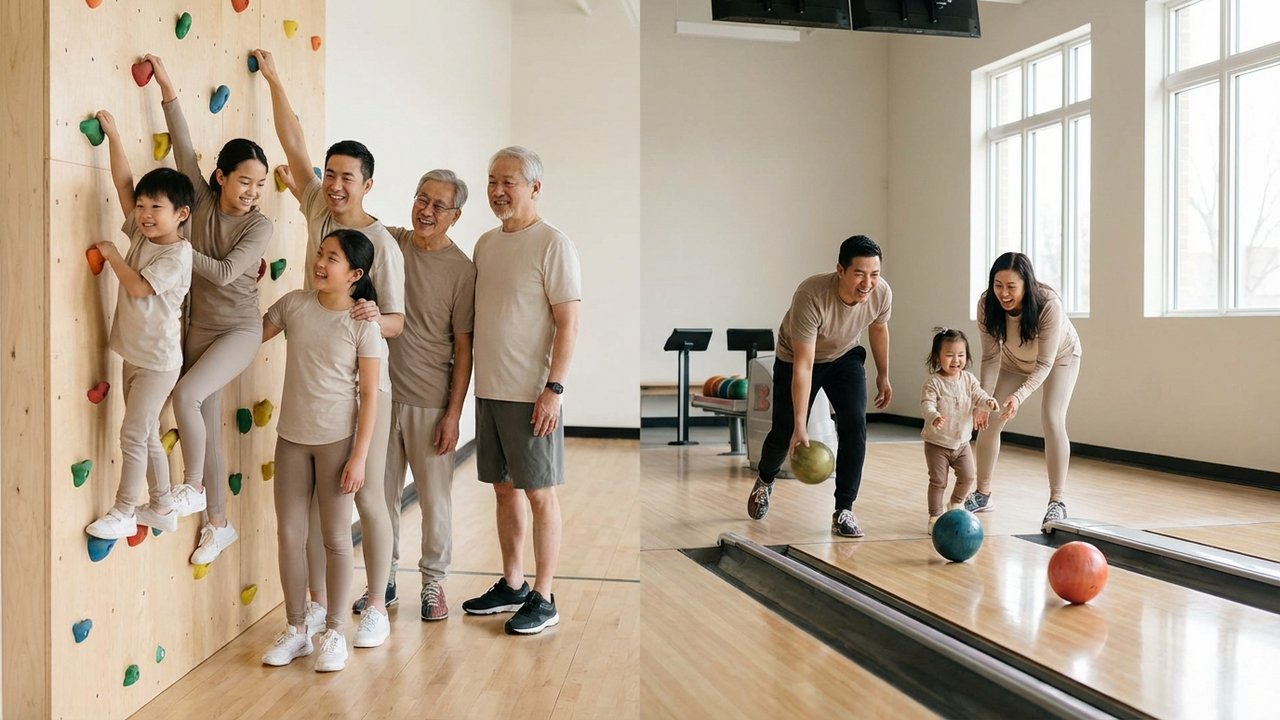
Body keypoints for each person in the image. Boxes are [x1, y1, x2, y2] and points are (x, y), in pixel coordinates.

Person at [256, 49, 405, 647]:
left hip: (367, 381)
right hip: (319, 373)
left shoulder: (378, 244)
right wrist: (273, 77)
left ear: (367, 185)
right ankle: (316, 610)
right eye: (331, 173)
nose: (336, 184)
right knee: (313, 516)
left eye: (348, 177)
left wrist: (370, 315)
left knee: (365, 498)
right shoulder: (319, 208)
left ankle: (375, 605)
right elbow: (292, 143)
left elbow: (398, 320)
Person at [140, 55, 274, 564]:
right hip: (198, 326)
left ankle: (192, 487)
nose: (253, 192)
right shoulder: (196, 195)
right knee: (203, 418)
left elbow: (220, 273)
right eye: (245, 181)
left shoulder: (259, 226)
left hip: (239, 331)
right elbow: (180, 139)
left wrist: (175, 243)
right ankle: (218, 523)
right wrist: (169, 86)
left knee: (186, 395)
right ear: (220, 177)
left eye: (260, 185)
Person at [462, 146, 580, 636]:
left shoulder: (554, 243)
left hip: (532, 395)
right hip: (489, 391)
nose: (497, 190)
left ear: (534, 188)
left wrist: (553, 389)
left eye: (509, 181)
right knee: (503, 489)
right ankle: (512, 584)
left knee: (540, 494)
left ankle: (544, 595)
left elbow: (569, 323)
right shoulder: (486, 244)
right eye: (492, 180)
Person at [259, 229, 381, 673]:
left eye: (333, 258)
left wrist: (359, 457)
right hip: (291, 438)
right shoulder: (294, 304)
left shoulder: (363, 325)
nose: (320, 262)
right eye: (320, 253)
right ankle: (296, 630)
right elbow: (250, 336)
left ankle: (333, 632)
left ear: (355, 274)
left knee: (334, 539)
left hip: (337, 444)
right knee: (290, 535)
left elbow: (370, 397)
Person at [84, 110, 194, 540]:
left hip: (158, 362)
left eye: (156, 208)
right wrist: (114, 135)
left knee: (132, 432)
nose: (145, 214)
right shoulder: (144, 235)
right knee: (145, 430)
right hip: (136, 354)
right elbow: (124, 184)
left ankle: (126, 509)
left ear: (181, 214)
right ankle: (162, 504)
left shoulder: (176, 255)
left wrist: (112, 254)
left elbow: (138, 288)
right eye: (144, 207)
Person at [746, 235, 892, 538]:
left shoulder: (881, 293)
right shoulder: (811, 294)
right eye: (859, 274)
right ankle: (765, 479)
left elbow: (878, 328)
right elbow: (804, 365)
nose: (868, 283)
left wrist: (883, 374)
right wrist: (801, 425)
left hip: (845, 356)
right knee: (784, 431)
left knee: (854, 426)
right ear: (840, 270)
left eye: (874, 274)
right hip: (796, 358)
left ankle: (844, 509)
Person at [382, 170, 476, 622]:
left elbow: (464, 348)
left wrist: (453, 415)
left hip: (431, 401)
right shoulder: (392, 243)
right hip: (380, 398)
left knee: (435, 502)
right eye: (422, 198)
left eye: (439, 206)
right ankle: (384, 580)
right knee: (378, 499)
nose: (427, 210)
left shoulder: (462, 271)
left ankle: (433, 584)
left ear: (455, 216)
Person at [967, 251, 1082, 532]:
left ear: (1026, 285)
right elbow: (991, 357)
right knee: (991, 419)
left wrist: (1018, 396)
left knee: (1052, 418)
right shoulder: (986, 304)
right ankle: (982, 493)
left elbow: (1044, 363)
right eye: (998, 285)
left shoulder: (1048, 305)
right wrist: (984, 399)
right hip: (1013, 361)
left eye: (1011, 287)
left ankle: (1057, 500)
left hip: (1060, 359)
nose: (1003, 294)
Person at [919, 327, 999, 535]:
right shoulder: (934, 383)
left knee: (968, 476)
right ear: (937, 358)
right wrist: (934, 416)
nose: (956, 360)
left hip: (961, 443)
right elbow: (926, 404)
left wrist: (987, 402)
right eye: (949, 355)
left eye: (961, 355)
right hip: (937, 444)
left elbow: (979, 395)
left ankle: (955, 504)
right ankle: (935, 516)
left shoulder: (968, 380)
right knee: (938, 481)